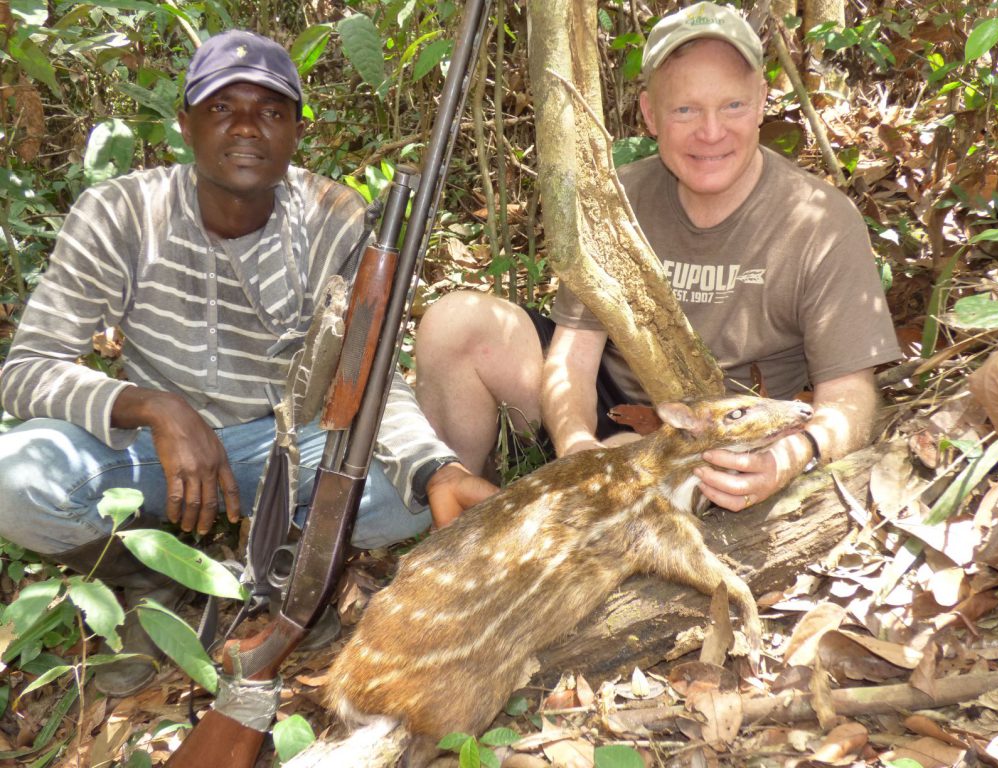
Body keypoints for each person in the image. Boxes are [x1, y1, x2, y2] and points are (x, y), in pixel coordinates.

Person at [0, 30, 494, 696]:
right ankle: (164, 583)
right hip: (152, 448)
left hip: (283, 445)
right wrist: (154, 406)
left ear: (295, 131)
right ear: (185, 123)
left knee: (407, 495)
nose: (246, 128)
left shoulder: (332, 219)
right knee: (14, 480)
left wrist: (438, 467)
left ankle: (282, 579)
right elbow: (27, 368)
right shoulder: (120, 213)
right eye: (221, 108)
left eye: (270, 111)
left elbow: (369, 375)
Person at [415, 3, 901, 509]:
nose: (710, 132)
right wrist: (579, 447)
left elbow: (851, 398)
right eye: (685, 110)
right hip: (609, 404)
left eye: (732, 105)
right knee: (455, 323)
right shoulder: (618, 198)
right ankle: (464, 509)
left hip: (723, 435)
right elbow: (573, 358)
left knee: (660, 479)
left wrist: (791, 457)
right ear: (650, 114)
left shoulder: (819, 220)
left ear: (761, 102)